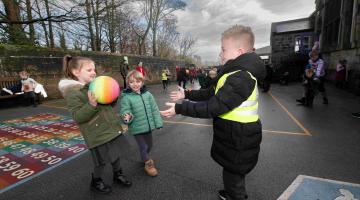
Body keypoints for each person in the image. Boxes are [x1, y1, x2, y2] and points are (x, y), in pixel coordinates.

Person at [160, 25, 265, 200]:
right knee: (232, 173)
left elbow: (212, 106)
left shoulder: (241, 78)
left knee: (234, 176)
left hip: (239, 139)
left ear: (239, 52)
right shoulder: (233, 74)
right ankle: (232, 191)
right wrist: (187, 93)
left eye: (223, 50)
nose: (220, 54)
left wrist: (180, 108)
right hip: (235, 136)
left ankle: (236, 195)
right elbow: (210, 93)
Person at [58, 55, 132, 194]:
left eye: (94, 69)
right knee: (101, 162)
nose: (93, 72)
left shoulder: (96, 85)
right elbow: (78, 116)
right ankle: (96, 181)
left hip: (110, 128)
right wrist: (91, 105)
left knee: (116, 155)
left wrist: (113, 97)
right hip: (97, 134)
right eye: (89, 70)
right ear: (76, 72)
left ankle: (118, 174)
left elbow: (107, 105)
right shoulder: (74, 93)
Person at [120, 70, 163, 177]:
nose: (135, 84)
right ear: (128, 83)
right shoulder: (126, 97)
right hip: (136, 128)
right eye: (132, 82)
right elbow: (124, 111)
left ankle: (144, 156)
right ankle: (148, 164)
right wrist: (126, 116)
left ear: (142, 82)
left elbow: (154, 109)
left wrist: (158, 123)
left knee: (149, 146)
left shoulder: (148, 95)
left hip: (148, 127)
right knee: (143, 147)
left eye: (138, 81)